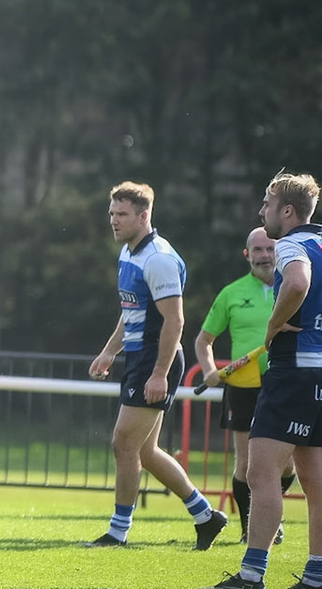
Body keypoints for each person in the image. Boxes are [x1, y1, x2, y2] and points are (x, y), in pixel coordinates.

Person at [86, 181, 226, 549]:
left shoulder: (159, 258)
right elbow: (131, 310)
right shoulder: (129, 253)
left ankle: (118, 532)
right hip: (139, 357)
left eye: (122, 214)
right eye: (111, 213)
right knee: (144, 452)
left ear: (144, 215)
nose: (114, 221)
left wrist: (160, 373)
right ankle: (205, 516)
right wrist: (109, 351)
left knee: (123, 443)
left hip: (155, 358)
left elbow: (175, 322)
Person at [211, 172, 322, 589]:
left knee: (260, 472)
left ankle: (252, 573)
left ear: (287, 211)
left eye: (266, 204)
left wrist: (274, 325)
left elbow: (296, 283)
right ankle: (316, 573)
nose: (262, 211)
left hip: (294, 371)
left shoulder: (292, 244)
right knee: (314, 476)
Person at [193, 226, 292, 541]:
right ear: (247, 255)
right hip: (243, 386)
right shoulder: (232, 293)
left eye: (270, 249)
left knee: (287, 464)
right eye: (258, 250)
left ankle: (268, 516)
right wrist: (209, 369)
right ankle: (253, 529)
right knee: (248, 463)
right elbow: (204, 340)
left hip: (284, 382)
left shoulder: (295, 287)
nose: (265, 256)